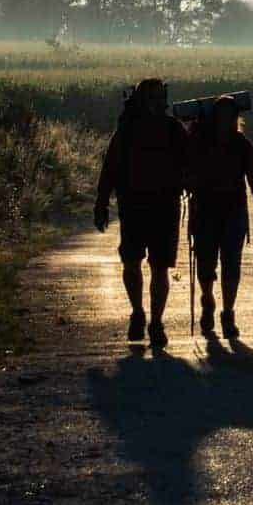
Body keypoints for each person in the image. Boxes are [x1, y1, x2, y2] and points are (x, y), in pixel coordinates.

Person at [94, 78, 188, 348]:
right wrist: (101, 202)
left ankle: (154, 321)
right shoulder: (128, 132)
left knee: (159, 267)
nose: (160, 103)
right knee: (132, 262)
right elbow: (110, 167)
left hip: (163, 207)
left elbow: (189, 163)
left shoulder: (173, 130)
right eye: (155, 98)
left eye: (162, 98)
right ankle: (139, 313)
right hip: (135, 206)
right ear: (143, 101)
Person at [189, 95, 253, 339]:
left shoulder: (241, 145)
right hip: (205, 212)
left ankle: (227, 313)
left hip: (233, 213)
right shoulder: (200, 142)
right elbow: (186, 169)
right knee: (205, 264)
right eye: (222, 115)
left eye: (230, 116)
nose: (226, 120)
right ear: (214, 118)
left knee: (231, 266)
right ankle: (207, 300)